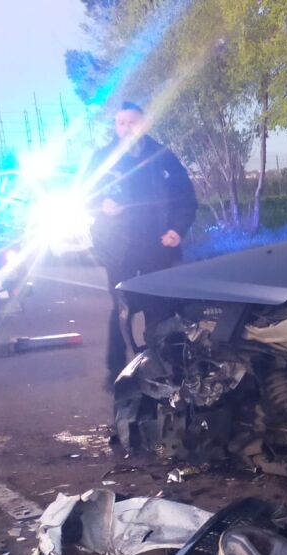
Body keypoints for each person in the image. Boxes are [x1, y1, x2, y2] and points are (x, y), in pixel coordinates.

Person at [87, 102, 197, 385]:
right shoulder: (102, 159)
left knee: (159, 310)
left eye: (132, 122)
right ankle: (115, 372)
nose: (126, 128)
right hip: (118, 250)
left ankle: (161, 369)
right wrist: (102, 204)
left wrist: (177, 229)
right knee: (121, 311)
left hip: (157, 248)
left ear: (144, 125)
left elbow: (186, 198)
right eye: (121, 123)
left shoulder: (163, 157)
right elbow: (85, 195)